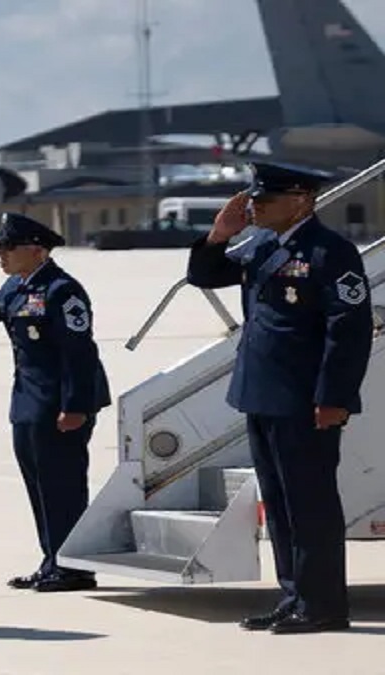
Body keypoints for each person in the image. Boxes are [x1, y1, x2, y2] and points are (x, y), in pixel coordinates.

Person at [186, 161, 372, 634]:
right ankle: (294, 596)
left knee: (310, 504)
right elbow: (205, 275)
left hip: (305, 399)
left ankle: (323, 604)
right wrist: (219, 235)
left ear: (301, 201)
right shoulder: (263, 245)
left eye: (264, 200)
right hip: (262, 392)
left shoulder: (330, 252)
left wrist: (334, 397)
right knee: (280, 503)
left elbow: (348, 331)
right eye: (252, 199)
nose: (254, 207)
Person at [0, 212, 110, 593]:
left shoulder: (61, 290)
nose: (0, 255)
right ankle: (53, 561)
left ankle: (74, 568)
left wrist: (76, 407)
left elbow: (79, 353)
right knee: (40, 487)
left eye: (7, 248)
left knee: (62, 486)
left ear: (37, 251)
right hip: (28, 402)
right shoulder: (16, 287)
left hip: (61, 405)